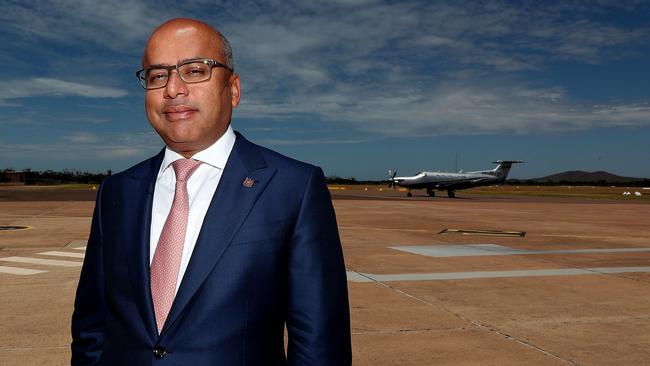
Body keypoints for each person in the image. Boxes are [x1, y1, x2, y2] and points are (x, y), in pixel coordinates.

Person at [71, 18, 351, 365]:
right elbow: (91, 326)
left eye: (194, 70)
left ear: (233, 89)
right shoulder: (116, 192)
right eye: (158, 75)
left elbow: (319, 343)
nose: (173, 89)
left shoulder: (293, 187)